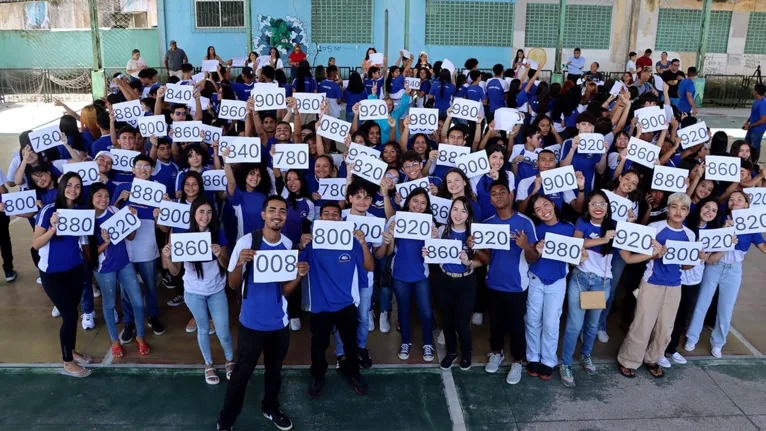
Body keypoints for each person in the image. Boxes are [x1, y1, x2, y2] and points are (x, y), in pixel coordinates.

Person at [217, 195, 308, 431]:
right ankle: (226, 421)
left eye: (282, 211)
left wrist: (298, 276)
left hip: (279, 324)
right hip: (251, 323)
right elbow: (233, 285)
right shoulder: (247, 241)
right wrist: (239, 263)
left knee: (274, 372)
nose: (277, 215)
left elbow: (285, 290)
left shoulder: (289, 246)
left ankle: (270, 407)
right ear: (263, 214)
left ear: (286, 217)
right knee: (240, 376)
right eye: (272, 210)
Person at [617, 193, 701, 378]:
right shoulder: (654, 228)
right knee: (642, 324)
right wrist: (655, 254)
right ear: (668, 209)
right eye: (675, 207)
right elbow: (638, 254)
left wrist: (697, 259)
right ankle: (629, 360)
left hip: (674, 286)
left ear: (687, 213)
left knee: (665, 327)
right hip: (652, 282)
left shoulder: (690, 234)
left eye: (683, 208)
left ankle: (653, 358)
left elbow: (685, 265)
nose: (678, 211)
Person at [299, 202, 374, 398]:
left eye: (335, 214)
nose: (331, 217)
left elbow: (370, 266)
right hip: (320, 306)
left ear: (341, 219)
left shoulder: (352, 242)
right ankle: (317, 377)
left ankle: (354, 374)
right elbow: (297, 265)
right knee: (318, 346)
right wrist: (301, 244)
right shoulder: (312, 243)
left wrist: (363, 243)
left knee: (350, 344)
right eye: (326, 214)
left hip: (345, 304)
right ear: (320, 218)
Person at [685, 191, 766, 358]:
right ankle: (692, 337)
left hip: (734, 269)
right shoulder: (719, 219)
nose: (734, 201)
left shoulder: (751, 225)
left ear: (746, 205)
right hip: (714, 265)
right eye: (731, 199)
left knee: (725, 309)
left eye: (739, 199)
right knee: (702, 303)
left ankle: (718, 343)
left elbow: (763, 247)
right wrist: (723, 229)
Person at [164, 197, 233, 384]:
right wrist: (169, 258)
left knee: (223, 331)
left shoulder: (218, 234)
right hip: (194, 292)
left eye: (209, 212)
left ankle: (229, 360)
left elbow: (227, 266)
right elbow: (175, 271)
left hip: (217, 290)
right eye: (201, 211)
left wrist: (219, 256)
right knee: (203, 329)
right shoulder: (183, 236)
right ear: (193, 214)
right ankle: (208, 364)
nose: (205, 216)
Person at [477, 180, 538, 385]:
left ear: (510, 195)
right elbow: (487, 259)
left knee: (516, 326)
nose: (498, 196)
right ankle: (497, 352)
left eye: (502, 192)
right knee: (495, 323)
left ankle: (518, 361)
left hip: (516, 285)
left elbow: (534, 258)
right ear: (490, 199)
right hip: (493, 283)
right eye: (493, 193)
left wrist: (526, 246)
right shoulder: (487, 225)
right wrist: (476, 247)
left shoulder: (525, 222)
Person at [33, 172, 92, 377]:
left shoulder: (79, 210)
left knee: (72, 313)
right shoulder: (49, 210)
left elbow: (82, 239)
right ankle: (67, 362)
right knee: (69, 314)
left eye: (77, 186)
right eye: (70, 185)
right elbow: (36, 243)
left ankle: (71, 350)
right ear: (62, 185)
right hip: (52, 273)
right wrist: (52, 228)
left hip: (74, 269)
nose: (73, 189)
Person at [84, 183, 148, 359]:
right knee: (109, 304)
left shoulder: (114, 210)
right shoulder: (86, 219)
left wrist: (132, 222)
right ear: (91, 197)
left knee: (137, 301)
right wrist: (105, 242)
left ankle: (140, 336)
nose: (103, 199)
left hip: (124, 263)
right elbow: (88, 255)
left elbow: (131, 237)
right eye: (99, 195)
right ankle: (114, 340)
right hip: (104, 268)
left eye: (106, 195)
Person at [560, 191, 615, 387]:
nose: (598, 207)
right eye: (593, 203)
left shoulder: (616, 227)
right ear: (588, 207)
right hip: (580, 279)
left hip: (602, 282)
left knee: (592, 325)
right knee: (575, 325)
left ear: (608, 207)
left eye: (602, 203)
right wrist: (602, 240)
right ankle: (565, 363)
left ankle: (586, 355)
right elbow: (576, 243)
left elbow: (629, 249)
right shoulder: (582, 222)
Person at [525, 194, 581, 380]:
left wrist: (581, 256)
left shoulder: (569, 228)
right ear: (534, 214)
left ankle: (548, 360)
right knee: (533, 320)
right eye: (538, 209)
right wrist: (537, 250)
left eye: (546, 205)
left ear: (554, 205)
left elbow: (575, 256)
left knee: (551, 322)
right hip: (536, 278)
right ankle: (533, 356)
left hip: (557, 281)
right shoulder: (535, 229)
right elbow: (529, 257)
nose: (544, 211)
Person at [382, 188, 437, 361]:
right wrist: (390, 236)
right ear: (408, 202)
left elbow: (433, 253)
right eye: (415, 201)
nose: (419, 206)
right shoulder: (395, 219)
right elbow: (389, 251)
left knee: (426, 312)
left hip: (421, 274)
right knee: (403, 311)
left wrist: (434, 239)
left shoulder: (430, 223)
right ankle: (406, 342)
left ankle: (428, 342)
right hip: (400, 273)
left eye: (423, 203)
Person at [743, 83, 766, 157]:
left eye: (753, 89)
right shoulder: (756, 101)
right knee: (746, 144)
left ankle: (754, 162)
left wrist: (750, 126)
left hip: (757, 130)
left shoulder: (762, 104)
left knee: (754, 147)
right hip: (752, 127)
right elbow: (753, 114)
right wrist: (747, 122)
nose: (752, 90)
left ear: (756, 91)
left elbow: (763, 120)